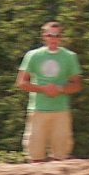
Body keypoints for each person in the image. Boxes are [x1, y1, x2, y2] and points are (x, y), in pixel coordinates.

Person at [16, 20, 81, 162]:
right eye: (50, 35)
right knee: (35, 155)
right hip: (38, 110)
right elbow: (21, 82)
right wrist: (42, 89)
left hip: (61, 111)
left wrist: (60, 89)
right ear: (44, 36)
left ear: (61, 37)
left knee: (61, 155)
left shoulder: (69, 57)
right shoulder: (33, 55)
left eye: (57, 36)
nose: (54, 39)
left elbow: (77, 85)